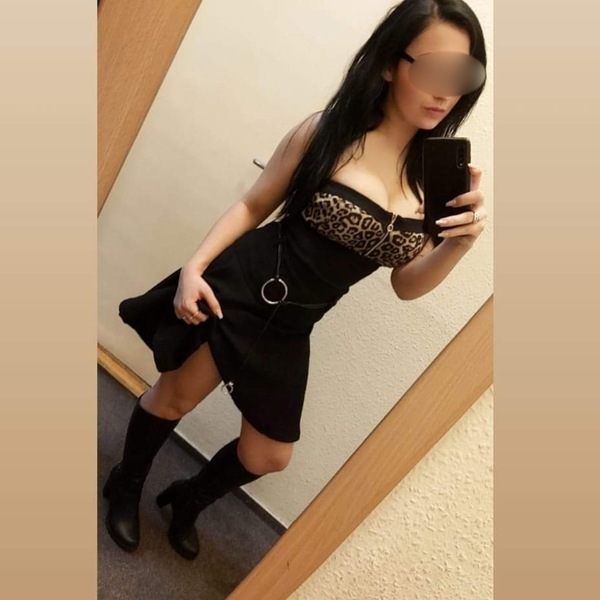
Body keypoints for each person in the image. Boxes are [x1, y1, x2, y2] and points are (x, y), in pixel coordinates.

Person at [102, 0, 488, 561]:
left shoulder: (435, 178)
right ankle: (126, 484)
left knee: (269, 455)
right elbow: (254, 204)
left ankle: (187, 498)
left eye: (462, 74)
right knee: (174, 397)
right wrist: (194, 268)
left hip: (294, 324)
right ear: (389, 63)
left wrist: (459, 244)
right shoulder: (328, 131)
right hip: (246, 287)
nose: (444, 91)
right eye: (432, 69)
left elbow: (406, 285)